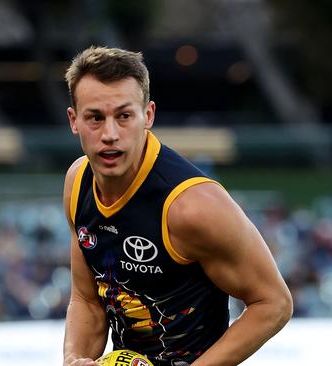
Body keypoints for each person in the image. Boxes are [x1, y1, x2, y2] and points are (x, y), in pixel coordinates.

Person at [61, 46, 293, 366]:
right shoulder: (77, 184)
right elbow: (87, 300)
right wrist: (75, 359)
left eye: (124, 116)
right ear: (74, 121)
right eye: (95, 118)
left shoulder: (192, 206)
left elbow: (275, 303)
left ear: (149, 116)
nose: (110, 134)